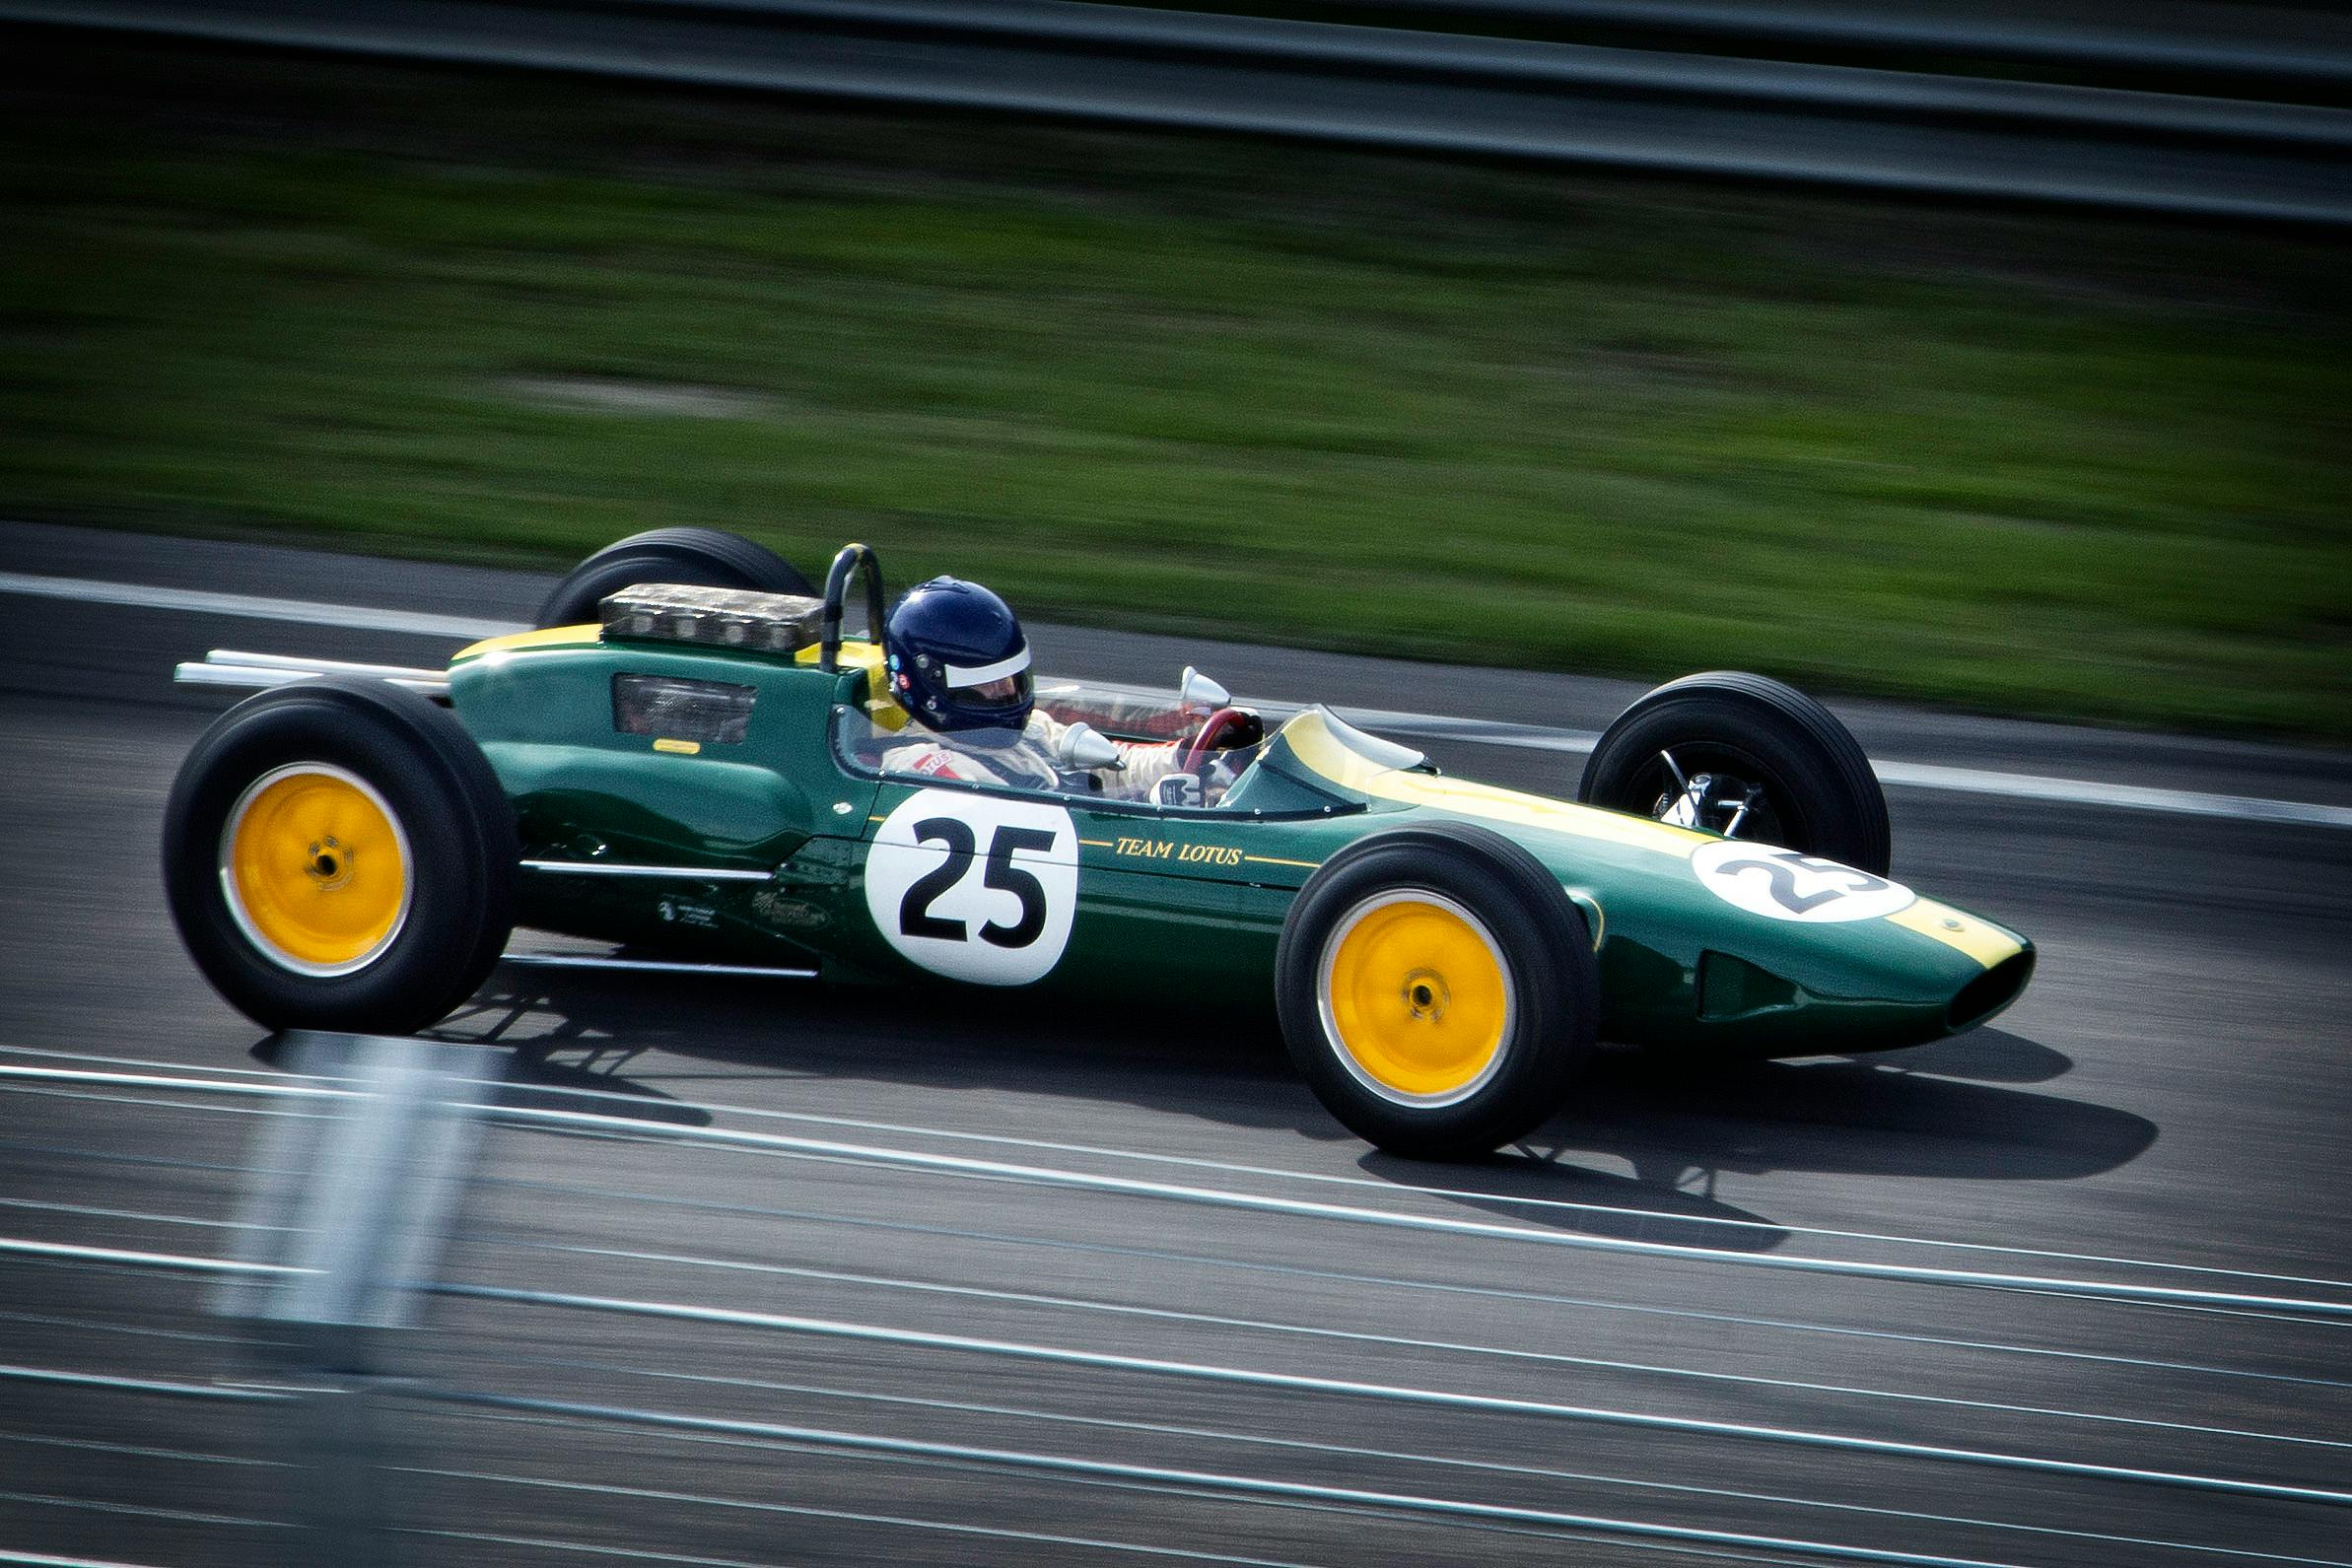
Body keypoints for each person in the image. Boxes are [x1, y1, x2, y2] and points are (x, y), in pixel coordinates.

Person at [876, 577, 1240, 797]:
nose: (1007, 692)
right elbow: (1029, 817)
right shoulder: (920, 764)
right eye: (989, 684)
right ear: (929, 685)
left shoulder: (1029, 730)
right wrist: (1152, 798)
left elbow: (1112, 767)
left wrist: (1189, 757)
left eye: (1012, 678)